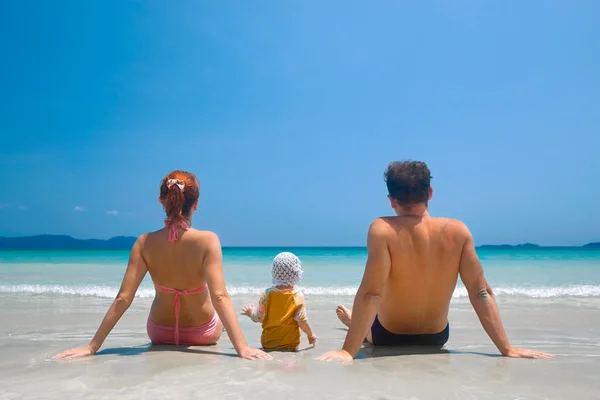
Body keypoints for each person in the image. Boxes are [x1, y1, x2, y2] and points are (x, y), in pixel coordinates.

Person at [318, 161, 553, 362]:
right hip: (437, 337)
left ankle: (360, 328)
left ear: (392, 200)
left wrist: (348, 351)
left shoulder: (383, 229)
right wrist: (507, 349)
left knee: (374, 323)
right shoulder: (458, 231)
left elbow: (371, 294)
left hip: (387, 335)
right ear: (430, 193)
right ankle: (362, 327)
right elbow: (480, 292)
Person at [55, 170, 271, 361]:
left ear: (162, 201)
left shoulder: (144, 242)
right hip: (203, 334)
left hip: (159, 333)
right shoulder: (208, 240)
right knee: (216, 319)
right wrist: (242, 347)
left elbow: (123, 298)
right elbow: (220, 296)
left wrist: (93, 347)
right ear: (195, 204)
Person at [241, 252, 316, 351]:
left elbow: (259, 317)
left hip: (268, 343)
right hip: (291, 344)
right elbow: (302, 321)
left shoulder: (267, 294)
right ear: (296, 272)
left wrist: (250, 313)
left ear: (274, 272)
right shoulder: (297, 296)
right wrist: (311, 335)